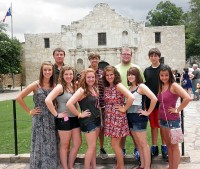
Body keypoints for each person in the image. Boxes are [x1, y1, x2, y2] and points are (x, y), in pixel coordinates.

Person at [16, 61, 59, 169]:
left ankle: (51, 166)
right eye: (45, 70)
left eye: (49, 70)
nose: (47, 72)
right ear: (41, 71)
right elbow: (19, 98)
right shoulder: (36, 85)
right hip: (39, 118)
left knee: (52, 142)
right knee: (39, 143)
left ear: (52, 71)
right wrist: (29, 111)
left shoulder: (54, 85)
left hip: (51, 118)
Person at [45, 66, 81, 169]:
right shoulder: (60, 87)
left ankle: (70, 165)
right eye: (66, 74)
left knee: (77, 143)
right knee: (65, 145)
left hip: (74, 118)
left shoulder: (73, 86)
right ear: (62, 75)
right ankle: (65, 167)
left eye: (70, 74)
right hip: (64, 120)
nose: (69, 76)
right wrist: (56, 114)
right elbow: (48, 100)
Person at [157, 65, 190, 169]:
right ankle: (171, 166)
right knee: (168, 146)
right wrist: (158, 117)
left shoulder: (173, 85)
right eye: (162, 75)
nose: (164, 77)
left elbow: (187, 98)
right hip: (163, 120)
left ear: (170, 75)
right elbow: (161, 103)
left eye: (166, 75)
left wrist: (177, 109)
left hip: (173, 121)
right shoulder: (161, 85)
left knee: (174, 146)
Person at [66, 68, 100, 169]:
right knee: (91, 147)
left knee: (93, 147)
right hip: (88, 122)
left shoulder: (94, 88)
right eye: (88, 77)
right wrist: (79, 114)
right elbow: (69, 104)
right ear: (84, 78)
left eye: (93, 77)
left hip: (97, 119)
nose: (91, 79)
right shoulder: (82, 90)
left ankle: (94, 167)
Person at [102, 65, 134, 169]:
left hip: (117, 118)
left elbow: (131, 97)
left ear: (115, 75)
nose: (109, 77)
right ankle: (119, 166)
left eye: (111, 74)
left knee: (115, 145)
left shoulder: (118, 85)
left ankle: (121, 167)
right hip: (110, 118)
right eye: (107, 75)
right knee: (117, 145)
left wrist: (124, 108)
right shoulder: (107, 87)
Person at [115, 47, 144, 158]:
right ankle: (122, 149)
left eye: (128, 54)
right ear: (121, 55)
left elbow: (141, 86)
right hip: (121, 102)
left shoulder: (136, 68)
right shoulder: (116, 68)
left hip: (135, 103)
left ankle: (137, 149)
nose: (126, 55)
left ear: (131, 55)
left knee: (134, 129)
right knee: (122, 128)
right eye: (124, 54)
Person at [127, 67, 157, 169]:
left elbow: (154, 98)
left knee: (143, 144)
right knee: (138, 144)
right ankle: (142, 165)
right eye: (129, 74)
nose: (130, 76)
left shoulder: (141, 86)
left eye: (133, 74)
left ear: (137, 75)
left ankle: (147, 166)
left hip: (139, 118)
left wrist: (148, 112)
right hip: (130, 118)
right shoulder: (129, 88)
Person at [143, 48, 168, 159]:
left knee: (162, 125)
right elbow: (145, 87)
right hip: (151, 103)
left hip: (162, 102)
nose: (153, 57)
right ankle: (154, 147)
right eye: (151, 56)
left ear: (159, 56)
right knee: (153, 126)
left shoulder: (164, 69)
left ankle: (164, 147)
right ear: (149, 57)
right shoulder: (147, 71)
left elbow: (169, 84)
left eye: (155, 55)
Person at [88, 52, 108, 159]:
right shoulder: (86, 73)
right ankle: (92, 148)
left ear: (98, 60)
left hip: (102, 104)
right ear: (89, 60)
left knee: (101, 127)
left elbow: (105, 88)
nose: (94, 60)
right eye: (92, 59)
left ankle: (101, 147)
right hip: (91, 105)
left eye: (96, 58)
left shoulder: (102, 73)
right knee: (92, 128)